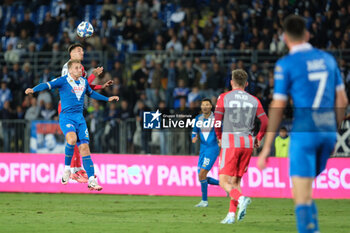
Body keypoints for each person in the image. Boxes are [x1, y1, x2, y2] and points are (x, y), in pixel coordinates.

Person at [257, 15, 348, 233]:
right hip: (327, 132)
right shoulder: (328, 60)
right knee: (304, 192)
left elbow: (278, 105)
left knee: (301, 197)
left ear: (285, 38)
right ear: (307, 35)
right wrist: (333, 133)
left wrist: (267, 146)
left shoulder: (286, 64)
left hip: (304, 134)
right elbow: (342, 101)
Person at [25, 59, 119, 191]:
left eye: (80, 68)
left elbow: (92, 94)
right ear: (69, 70)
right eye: (76, 68)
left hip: (80, 119)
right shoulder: (63, 80)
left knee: (85, 148)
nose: (79, 70)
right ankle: (67, 170)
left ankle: (92, 180)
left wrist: (107, 99)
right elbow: (46, 85)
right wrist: (33, 89)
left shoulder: (84, 82)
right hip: (66, 118)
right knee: (72, 139)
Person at [214, 69, 268, 224]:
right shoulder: (254, 100)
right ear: (247, 84)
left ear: (231, 82)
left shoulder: (224, 97)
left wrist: (219, 137)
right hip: (247, 143)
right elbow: (265, 122)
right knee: (236, 182)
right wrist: (258, 138)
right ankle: (231, 215)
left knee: (223, 181)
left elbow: (217, 120)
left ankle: (242, 198)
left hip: (231, 141)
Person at [60, 43, 113, 183]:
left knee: (79, 141)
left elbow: (86, 86)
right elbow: (75, 83)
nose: (82, 53)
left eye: (82, 51)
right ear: (71, 54)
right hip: (66, 108)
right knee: (73, 139)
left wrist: (102, 86)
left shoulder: (81, 68)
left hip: (76, 110)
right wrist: (94, 75)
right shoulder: (68, 67)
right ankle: (74, 170)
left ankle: (77, 169)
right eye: (79, 51)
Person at [192, 98, 220, 208]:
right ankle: (224, 184)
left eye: (207, 104)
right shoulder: (197, 119)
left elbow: (222, 131)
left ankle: (204, 201)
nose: (205, 106)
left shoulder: (216, 119)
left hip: (212, 149)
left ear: (211, 107)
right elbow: (194, 132)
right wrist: (194, 137)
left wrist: (221, 140)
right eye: (203, 104)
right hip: (202, 150)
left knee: (202, 174)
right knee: (201, 176)